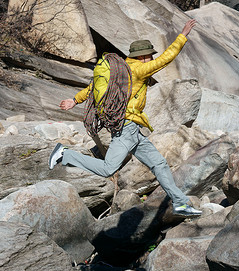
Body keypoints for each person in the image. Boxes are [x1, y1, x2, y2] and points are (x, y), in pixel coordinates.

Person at [49, 19, 201, 217]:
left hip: (132, 129)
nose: (150, 59)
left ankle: (180, 203)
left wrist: (74, 100)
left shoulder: (119, 69)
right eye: (149, 56)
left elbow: (94, 86)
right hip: (126, 126)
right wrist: (182, 36)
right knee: (107, 169)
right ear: (143, 56)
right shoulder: (138, 69)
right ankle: (65, 154)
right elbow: (165, 59)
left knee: (159, 164)